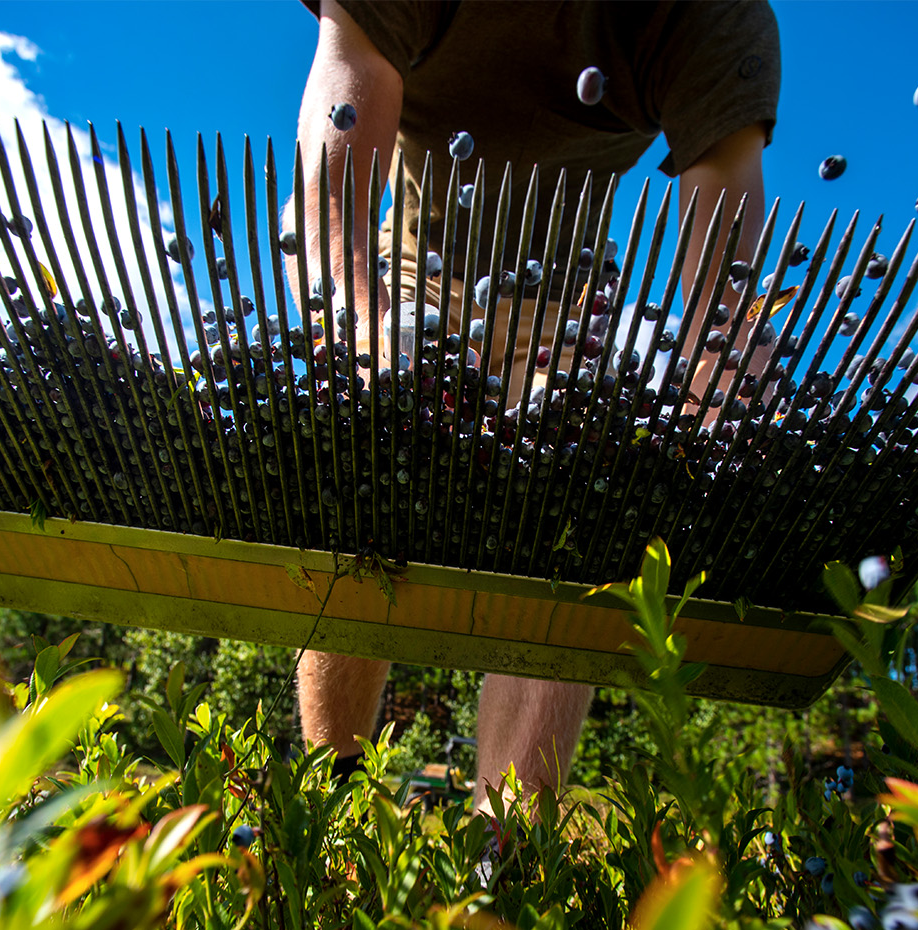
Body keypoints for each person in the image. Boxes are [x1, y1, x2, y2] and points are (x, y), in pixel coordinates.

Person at [288, 0, 780, 814]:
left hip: (569, 309)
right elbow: (341, 130)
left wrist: (720, 381)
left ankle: (506, 846)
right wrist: (354, 311)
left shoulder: (710, 15)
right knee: (366, 493)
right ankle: (335, 808)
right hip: (410, 277)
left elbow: (718, 274)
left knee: (575, 532)